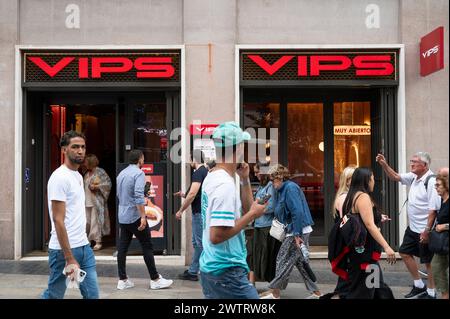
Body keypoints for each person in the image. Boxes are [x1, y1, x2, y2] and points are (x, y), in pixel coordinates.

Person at [199, 121, 267, 299]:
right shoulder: (224, 185)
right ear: (238, 149)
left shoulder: (212, 176)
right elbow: (217, 236)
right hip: (226, 271)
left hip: (215, 268)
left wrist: (244, 180)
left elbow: (246, 210)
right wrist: (253, 214)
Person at [42, 131, 99, 299]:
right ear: (64, 150)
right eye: (75, 147)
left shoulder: (78, 176)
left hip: (83, 246)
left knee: (92, 294)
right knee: (54, 295)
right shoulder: (59, 177)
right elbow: (58, 220)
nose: (80, 151)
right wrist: (69, 257)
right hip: (63, 251)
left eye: (82, 147)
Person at [376, 152, 440, 298]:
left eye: (415, 162)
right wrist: (384, 165)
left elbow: (433, 211)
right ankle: (419, 285)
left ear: (424, 165)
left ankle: (431, 293)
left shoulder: (431, 181)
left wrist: (426, 231)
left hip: (425, 229)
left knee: (428, 262)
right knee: (404, 252)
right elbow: (395, 177)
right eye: (411, 161)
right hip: (413, 228)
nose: (411, 164)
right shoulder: (413, 177)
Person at [262, 164, 321, 299]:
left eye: (273, 179)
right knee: (301, 263)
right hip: (296, 230)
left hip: (297, 231)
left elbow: (297, 212)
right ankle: (316, 293)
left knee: (282, 259)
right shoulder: (281, 189)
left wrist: (296, 234)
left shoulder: (290, 188)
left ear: (280, 177)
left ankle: (274, 291)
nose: (271, 182)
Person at [116, 149, 173, 290]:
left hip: (122, 215)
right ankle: (155, 279)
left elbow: (119, 194)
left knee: (122, 248)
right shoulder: (139, 173)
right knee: (147, 245)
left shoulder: (121, 173)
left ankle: (122, 280)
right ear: (140, 159)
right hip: (135, 215)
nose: (143, 161)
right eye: (143, 159)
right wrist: (143, 216)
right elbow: (138, 196)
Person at [339, 167, 396, 298]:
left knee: (376, 287)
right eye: (372, 179)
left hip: (361, 253)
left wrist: (378, 218)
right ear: (366, 180)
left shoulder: (352, 195)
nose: (374, 182)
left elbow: (361, 220)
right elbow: (369, 225)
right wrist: (387, 247)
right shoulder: (363, 197)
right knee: (365, 291)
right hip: (365, 254)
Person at [174, 152, 209, 281]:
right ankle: (196, 269)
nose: (189, 162)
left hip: (199, 213)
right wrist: (184, 194)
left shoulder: (198, 172)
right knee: (197, 242)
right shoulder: (205, 172)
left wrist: (180, 210)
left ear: (194, 159)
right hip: (200, 212)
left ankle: (194, 271)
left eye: (189, 159)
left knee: (199, 243)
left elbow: (193, 193)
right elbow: (196, 192)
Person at [251, 162, 281, 296]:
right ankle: (251, 285)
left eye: (257, 172)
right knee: (252, 255)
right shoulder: (261, 187)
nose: (255, 174)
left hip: (266, 227)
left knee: (268, 257)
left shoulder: (270, 187)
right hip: (258, 225)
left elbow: (272, 206)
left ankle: (273, 289)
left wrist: (257, 210)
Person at [83, 154, 112, 251]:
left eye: (86, 162)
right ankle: (87, 240)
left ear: (90, 162)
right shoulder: (87, 174)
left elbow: (108, 183)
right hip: (86, 200)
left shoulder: (100, 172)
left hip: (96, 201)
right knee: (87, 221)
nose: (84, 164)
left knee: (95, 222)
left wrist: (97, 187)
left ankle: (98, 241)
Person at [430, 171, 449, 299]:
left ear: (446, 186)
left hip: (447, 242)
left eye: (438, 185)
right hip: (442, 244)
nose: (435, 187)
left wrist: (445, 226)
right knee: (436, 268)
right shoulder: (442, 201)